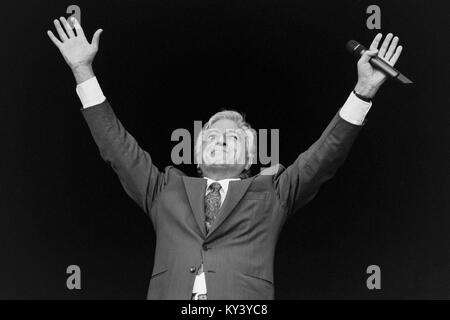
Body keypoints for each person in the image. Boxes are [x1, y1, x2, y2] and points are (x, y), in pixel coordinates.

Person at [47, 16, 403, 299]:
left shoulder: (273, 192)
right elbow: (116, 146)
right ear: (198, 158)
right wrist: (83, 70)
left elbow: (325, 155)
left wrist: (363, 91)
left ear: (249, 159)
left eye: (233, 137)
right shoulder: (164, 189)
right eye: (212, 136)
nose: (220, 139)